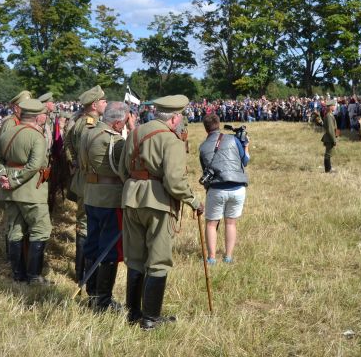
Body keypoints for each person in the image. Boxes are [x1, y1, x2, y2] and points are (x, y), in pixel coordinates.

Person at [117, 94, 204, 330]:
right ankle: (150, 319)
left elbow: (122, 167)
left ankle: (133, 314)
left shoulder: (135, 132)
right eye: (181, 117)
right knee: (158, 261)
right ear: (175, 118)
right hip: (158, 203)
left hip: (131, 198)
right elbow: (175, 181)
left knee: (135, 259)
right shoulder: (170, 140)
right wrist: (194, 201)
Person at [0, 98, 52, 284]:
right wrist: (15, 181)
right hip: (31, 191)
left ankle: (18, 276)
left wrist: (3, 178)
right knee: (40, 230)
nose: (44, 116)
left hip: (9, 192)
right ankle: (34, 276)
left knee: (15, 231)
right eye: (43, 114)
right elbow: (35, 166)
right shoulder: (37, 136)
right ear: (35, 116)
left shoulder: (7, 133)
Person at [81, 101, 134, 311]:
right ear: (119, 122)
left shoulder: (89, 133)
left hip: (91, 195)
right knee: (110, 250)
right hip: (110, 199)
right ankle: (103, 301)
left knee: (93, 245)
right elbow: (128, 166)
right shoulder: (115, 140)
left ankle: (93, 293)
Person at [65, 85, 107, 283]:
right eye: (103, 101)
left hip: (83, 177)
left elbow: (67, 143)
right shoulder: (89, 124)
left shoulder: (80, 122)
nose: (106, 104)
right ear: (94, 104)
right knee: (84, 225)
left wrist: (74, 161)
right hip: (88, 181)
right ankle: (82, 274)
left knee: (85, 223)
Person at [199, 113, 249, 265]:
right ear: (219, 124)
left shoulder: (202, 147)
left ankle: (212, 258)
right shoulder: (233, 139)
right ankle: (228, 257)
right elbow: (245, 161)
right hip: (238, 187)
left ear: (205, 128)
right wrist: (246, 145)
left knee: (211, 224)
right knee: (230, 223)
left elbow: (205, 170)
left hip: (216, 189)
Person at [0, 90, 32, 158]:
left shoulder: (22, 121)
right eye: (24, 108)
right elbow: (6, 147)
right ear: (16, 108)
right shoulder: (10, 122)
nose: (28, 110)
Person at [321, 100, 338, 173]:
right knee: (328, 154)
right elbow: (331, 129)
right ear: (330, 107)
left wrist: (336, 135)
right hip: (329, 138)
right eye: (334, 105)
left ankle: (329, 168)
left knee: (329, 153)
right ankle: (328, 170)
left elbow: (334, 127)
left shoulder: (330, 114)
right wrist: (334, 140)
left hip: (329, 137)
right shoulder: (329, 116)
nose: (335, 107)